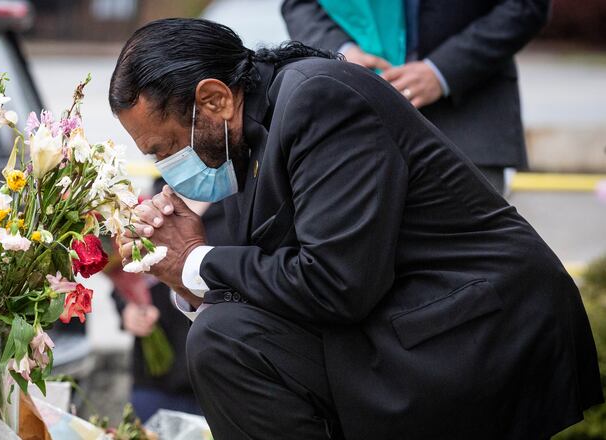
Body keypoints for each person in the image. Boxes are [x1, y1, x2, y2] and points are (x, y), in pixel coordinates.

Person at [109, 18, 602, 439]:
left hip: (475, 328)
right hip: (395, 327)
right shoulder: (249, 137)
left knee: (224, 339)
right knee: (224, 337)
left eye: (164, 148)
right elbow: (272, 290)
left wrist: (197, 258)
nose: (164, 166)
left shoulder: (317, 99)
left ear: (213, 100)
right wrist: (185, 277)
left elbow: (336, 283)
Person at [281, 0, 550, 194]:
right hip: (354, 119)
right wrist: (342, 53)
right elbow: (300, 4)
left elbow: (526, 6)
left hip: (468, 120)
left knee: (469, 266)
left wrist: (442, 72)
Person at [110, 183, 231, 421]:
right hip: (154, 377)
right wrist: (128, 309)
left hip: (216, 375)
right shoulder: (152, 203)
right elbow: (125, 271)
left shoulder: (234, 205)